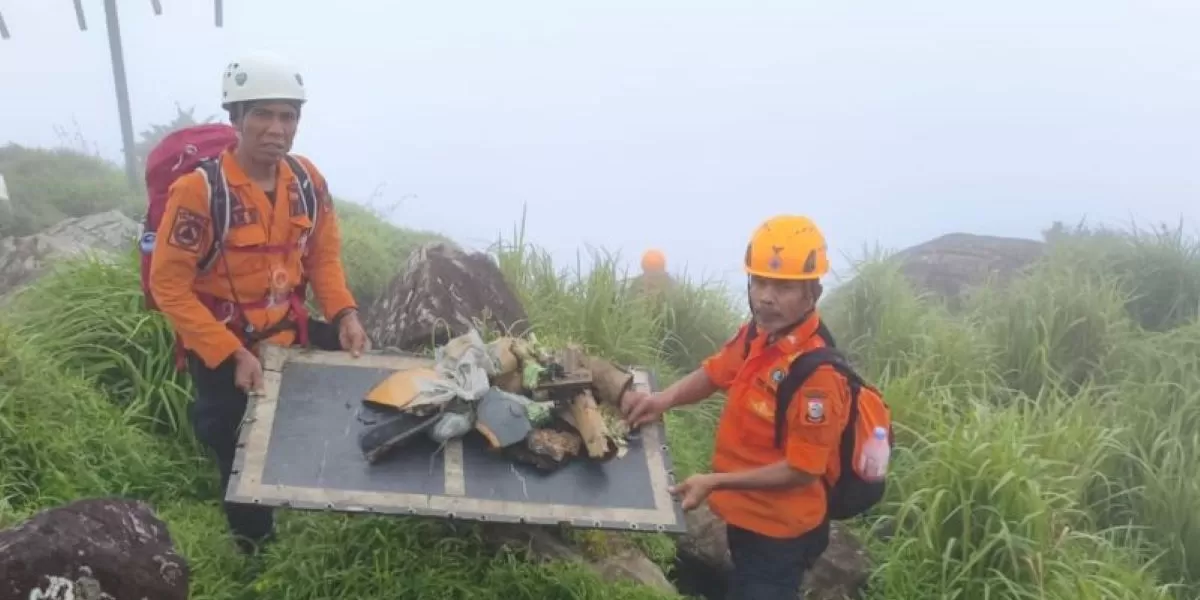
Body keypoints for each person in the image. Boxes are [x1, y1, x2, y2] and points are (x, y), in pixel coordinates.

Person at [149, 50, 368, 554]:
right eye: (262, 115)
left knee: (345, 394)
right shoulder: (199, 192)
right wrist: (231, 354)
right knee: (235, 449)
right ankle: (256, 553)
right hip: (223, 345)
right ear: (236, 120)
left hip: (288, 329)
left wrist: (345, 314)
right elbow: (170, 287)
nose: (277, 128)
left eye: (288, 115)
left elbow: (324, 260)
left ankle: (326, 502)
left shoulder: (308, 182)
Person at [621, 215, 846, 599]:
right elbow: (714, 373)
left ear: (813, 292)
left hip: (779, 535)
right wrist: (664, 399)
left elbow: (803, 469)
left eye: (783, 286)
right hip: (745, 518)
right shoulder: (758, 335)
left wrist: (716, 482)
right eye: (759, 281)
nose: (766, 296)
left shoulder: (817, 376)